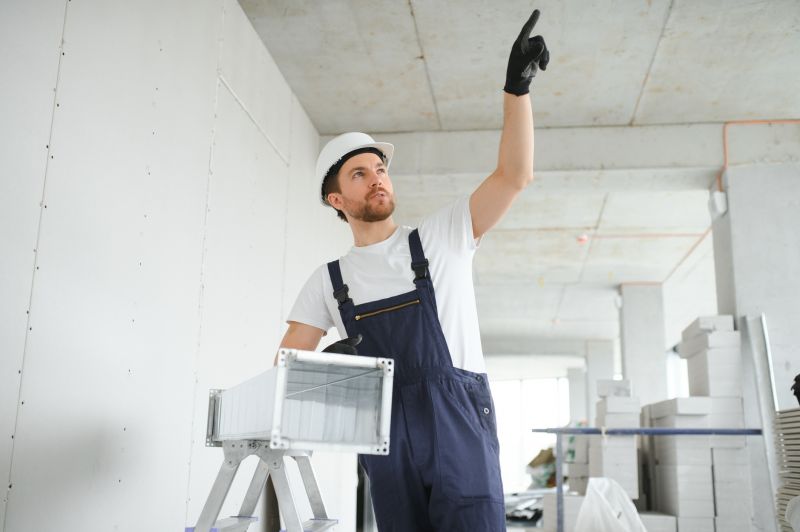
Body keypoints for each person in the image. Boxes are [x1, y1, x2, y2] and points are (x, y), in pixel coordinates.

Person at [277, 9, 549, 531]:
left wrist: (517, 89)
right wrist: (330, 373)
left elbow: (515, 175)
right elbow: (288, 364)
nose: (377, 179)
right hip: (386, 435)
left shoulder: (443, 237)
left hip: (458, 422)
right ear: (337, 199)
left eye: (380, 169)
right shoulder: (329, 282)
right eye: (360, 174)